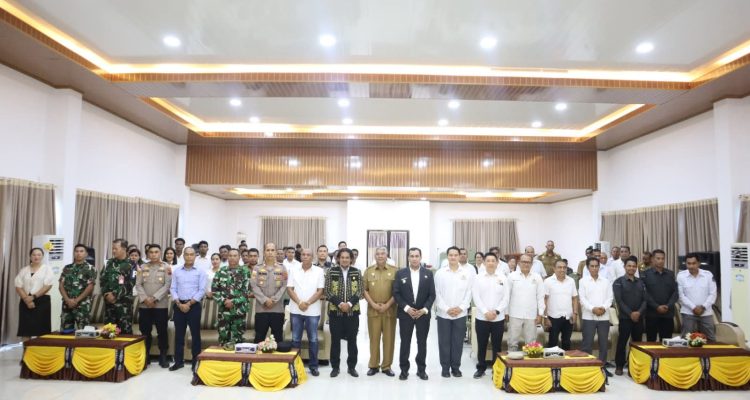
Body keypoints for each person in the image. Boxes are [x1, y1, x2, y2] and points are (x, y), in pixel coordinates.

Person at [393, 247, 435, 381]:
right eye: (412, 256)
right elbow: (396, 293)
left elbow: (432, 295)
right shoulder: (400, 273)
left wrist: (424, 309)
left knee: (422, 343)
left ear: (420, 258)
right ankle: (404, 370)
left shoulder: (428, 273)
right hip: (406, 314)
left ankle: (421, 370)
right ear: (408, 258)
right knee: (405, 342)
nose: (414, 258)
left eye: (417, 256)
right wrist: (407, 308)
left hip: (423, 314)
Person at [434, 246, 474, 378]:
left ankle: (456, 368)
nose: (453, 257)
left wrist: (461, 308)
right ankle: (445, 368)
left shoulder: (466, 273)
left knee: (457, 342)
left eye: (455, 255)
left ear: (459, 256)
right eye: (450, 255)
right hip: (443, 314)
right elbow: (436, 293)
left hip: (460, 314)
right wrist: (446, 309)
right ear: (447, 256)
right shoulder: (440, 273)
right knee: (444, 342)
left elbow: (469, 293)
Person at [287, 248, 325, 376]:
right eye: (303, 254)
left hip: (312, 311)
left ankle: (313, 366)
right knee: (295, 339)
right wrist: (299, 303)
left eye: (308, 254)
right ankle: (295, 365)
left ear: (312, 257)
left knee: (313, 339)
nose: (305, 256)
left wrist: (307, 303)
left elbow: (320, 291)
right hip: (296, 309)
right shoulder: (293, 269)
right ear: (300, 256)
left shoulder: (319, 271)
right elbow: (289, 289)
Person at [325, 248, 362, 378]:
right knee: (335, 341)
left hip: (353, 313)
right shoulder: (331, 271)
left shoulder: (357, 272)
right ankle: (335, 367)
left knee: (352, 341)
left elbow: (360, 291)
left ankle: (351, 367)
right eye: (342, 257)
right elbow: (327, 291)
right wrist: (340, 304)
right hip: (335, 313)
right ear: (338, 259)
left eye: (347, 257)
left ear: (351, 259)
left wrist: (349, 304)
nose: (345, 260)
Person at [472, 253, 509, 379]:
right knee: (482, 344)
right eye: (488, 260)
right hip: (482, 318)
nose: (491, 263)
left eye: (493, 260)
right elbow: (476, 296)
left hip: (498, 318)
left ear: (497, 263)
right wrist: (485, 312)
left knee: (497, 345)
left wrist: (496, 311)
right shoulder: (478, 278)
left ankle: (496, 368)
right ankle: (481, 368)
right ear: (484, 263)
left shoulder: (503, 278)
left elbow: (506, 298)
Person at [170, 247, 206, 372]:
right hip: (179, 305)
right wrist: (179, 303)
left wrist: (189, 304)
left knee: (195, 335)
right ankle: (178, 362)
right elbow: (173, 288)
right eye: (187, 254)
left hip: (194, 306)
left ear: (195, 256)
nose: (189, 257)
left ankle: (195, 362)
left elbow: (202, 290)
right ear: (183, 256)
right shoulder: (177, 271)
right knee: (179, 335)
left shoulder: (200, 272)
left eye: (192, 254)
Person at [363, 247, 398, 377]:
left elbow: (397, 291)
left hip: (390, 310)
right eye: (377, 254)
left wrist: (387, 305)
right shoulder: (368, 271)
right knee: (374, 339)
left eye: (383, 253)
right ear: (375, 256)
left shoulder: (395, 271)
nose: (380, 256)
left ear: (387, 255)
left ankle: (386, 366)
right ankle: (373, 365)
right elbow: (364, 290)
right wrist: (373, 304)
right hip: (373, 309)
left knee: (389, 339)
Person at [135, 244, 172, 368]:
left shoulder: (166, 267)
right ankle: (145, 355)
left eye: (156, 252)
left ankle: (163, 356)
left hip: (160, 305)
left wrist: (154, 298)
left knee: (162, 331)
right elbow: (138, 284)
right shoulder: (142, 267)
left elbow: (167, 285)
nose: (154, 254)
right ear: (148, 254)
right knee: (145, 331)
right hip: (145, 305)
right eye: (151, 252)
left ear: (160, 253)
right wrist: (146, 299)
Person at [579, 257, 613, 374]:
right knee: (587, 344)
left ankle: (602, 368)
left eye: (596, 266)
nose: (594, 268)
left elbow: (610, 298)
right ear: (588, 268)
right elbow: (582, 299)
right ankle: (587, 369)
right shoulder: (583, 281)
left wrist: (603, 308)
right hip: (588, 316)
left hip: (604, 316)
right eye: (592, 266)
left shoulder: (606, 281)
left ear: (599, 267)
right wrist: (593, 309)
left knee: (603, 344)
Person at [613, 256, 646, 376]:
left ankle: (633, 366)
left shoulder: (641, 282)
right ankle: (619, 365)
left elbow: (645, 300)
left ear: (636, 267)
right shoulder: (618, 282)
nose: (631, 268)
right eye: (629, 266)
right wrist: (630, 313)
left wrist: (639, 312)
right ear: (625, 267)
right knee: (622, 342)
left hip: (639, 318)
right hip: (625, 318)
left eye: (633, 266)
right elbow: (619, 301)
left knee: (637, 344)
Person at [250, 243, 288, 342]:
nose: (270, 252)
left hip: (277, 310)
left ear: (275, 252)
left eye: (272, 250)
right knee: (259, 338)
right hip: (261, 309)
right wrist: (265, 300)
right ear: (264, 252)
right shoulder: (256, 268)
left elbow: (284, 285)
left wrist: (273, 300)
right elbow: (253, 285)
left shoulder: (282, 268)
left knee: (277, 339)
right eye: (268, 250)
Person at [212, 248, 250, 346]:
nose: (232, 258)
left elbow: (246, 291)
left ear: (239, 257)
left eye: (235, 256)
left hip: (239, 311)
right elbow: (215, 290)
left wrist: (233, 301)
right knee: (223, 338)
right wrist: (224, 301)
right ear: (227, 257)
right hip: (224, 311)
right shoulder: (220, 271)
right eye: (230, 256)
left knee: (238, 339)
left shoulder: (245, 272)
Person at [507, 254, 544, 349]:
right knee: (512, 342)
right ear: (519, 263)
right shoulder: (511, 276)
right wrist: (506, 312)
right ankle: (511, 359)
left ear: (531, 264)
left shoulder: (537, 277)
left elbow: (540, 297)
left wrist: (540, 314)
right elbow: (507, 296)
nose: (526, 264)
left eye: (528, 262)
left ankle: (529, 359)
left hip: (531, 315)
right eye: (523, 262)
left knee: (531, 344)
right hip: (514, 314)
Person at [15, 248, 54, 338]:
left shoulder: (47, 269)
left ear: (42, 256)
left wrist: (33, 297)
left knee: (41, 329)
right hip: (25, 300)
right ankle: (26, 347)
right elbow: (18, 285)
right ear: (30, 256)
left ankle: (39, 347)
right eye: (34, 254)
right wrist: (26, 299)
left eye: (39, 255)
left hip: (42, 300)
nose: (36, 257)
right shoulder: (24, 270)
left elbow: (48, 286)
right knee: (25, 329)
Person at [677, 253, 717, 341]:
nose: (691, 266)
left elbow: (713, 294)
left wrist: (703, 307)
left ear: (699, 263)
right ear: (686, 264)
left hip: (706, 312)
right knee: (686, 339)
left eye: (694, 263)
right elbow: (681, 296)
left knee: (710, 339)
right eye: (688, 263)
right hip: (688, 312)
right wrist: (693, 307)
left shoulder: (708, 275)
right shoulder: (681, 276)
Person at [100, 239, 136, 334]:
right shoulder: (108, 263)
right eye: (113, 248)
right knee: (108, 333)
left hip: (124, 306)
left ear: (124, 249)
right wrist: (106, 294)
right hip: (109, 306)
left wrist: (115, 294)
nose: (113, 251)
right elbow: (102, 280)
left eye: (116, 248)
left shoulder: (132, 264)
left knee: (125, 334)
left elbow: (131, 283)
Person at [643, 249, 678, 341]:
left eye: (662, 258)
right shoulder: (645, 274)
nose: (661, 261)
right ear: (652, 259)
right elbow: (644, 293)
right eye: (658, 258)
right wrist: (656, 306)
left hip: (667, 313)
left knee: (667, 341)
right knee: (651, 342)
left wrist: (668, 305)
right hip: (651, 313)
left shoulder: (670, 274)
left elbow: (675, 292)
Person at [59, 244, 95, 331]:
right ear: (74, 253)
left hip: (82, 305)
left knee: (84, 333)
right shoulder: (67, 268)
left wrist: (76, 300)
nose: (78, 253)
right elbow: (61, 286)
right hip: (67, 305)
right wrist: (67, 300)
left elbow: (90, 287)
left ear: (86, 254)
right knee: (65, 332)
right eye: (76, 251)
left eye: (81, 251)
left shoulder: (90, 268)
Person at [544, 259, 578, 350]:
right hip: (553, 317)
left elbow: (574, 298)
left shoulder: (571, 281)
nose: (562, 270)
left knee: (566, 342)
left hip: (568, 317)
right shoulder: (548, 281)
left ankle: (566, 359)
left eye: (564, 267)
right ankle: (552, 360)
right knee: (553, 342)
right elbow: (545, 300)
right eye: (559, 267)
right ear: (554, 268)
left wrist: (575, 313)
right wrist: (545, 317)